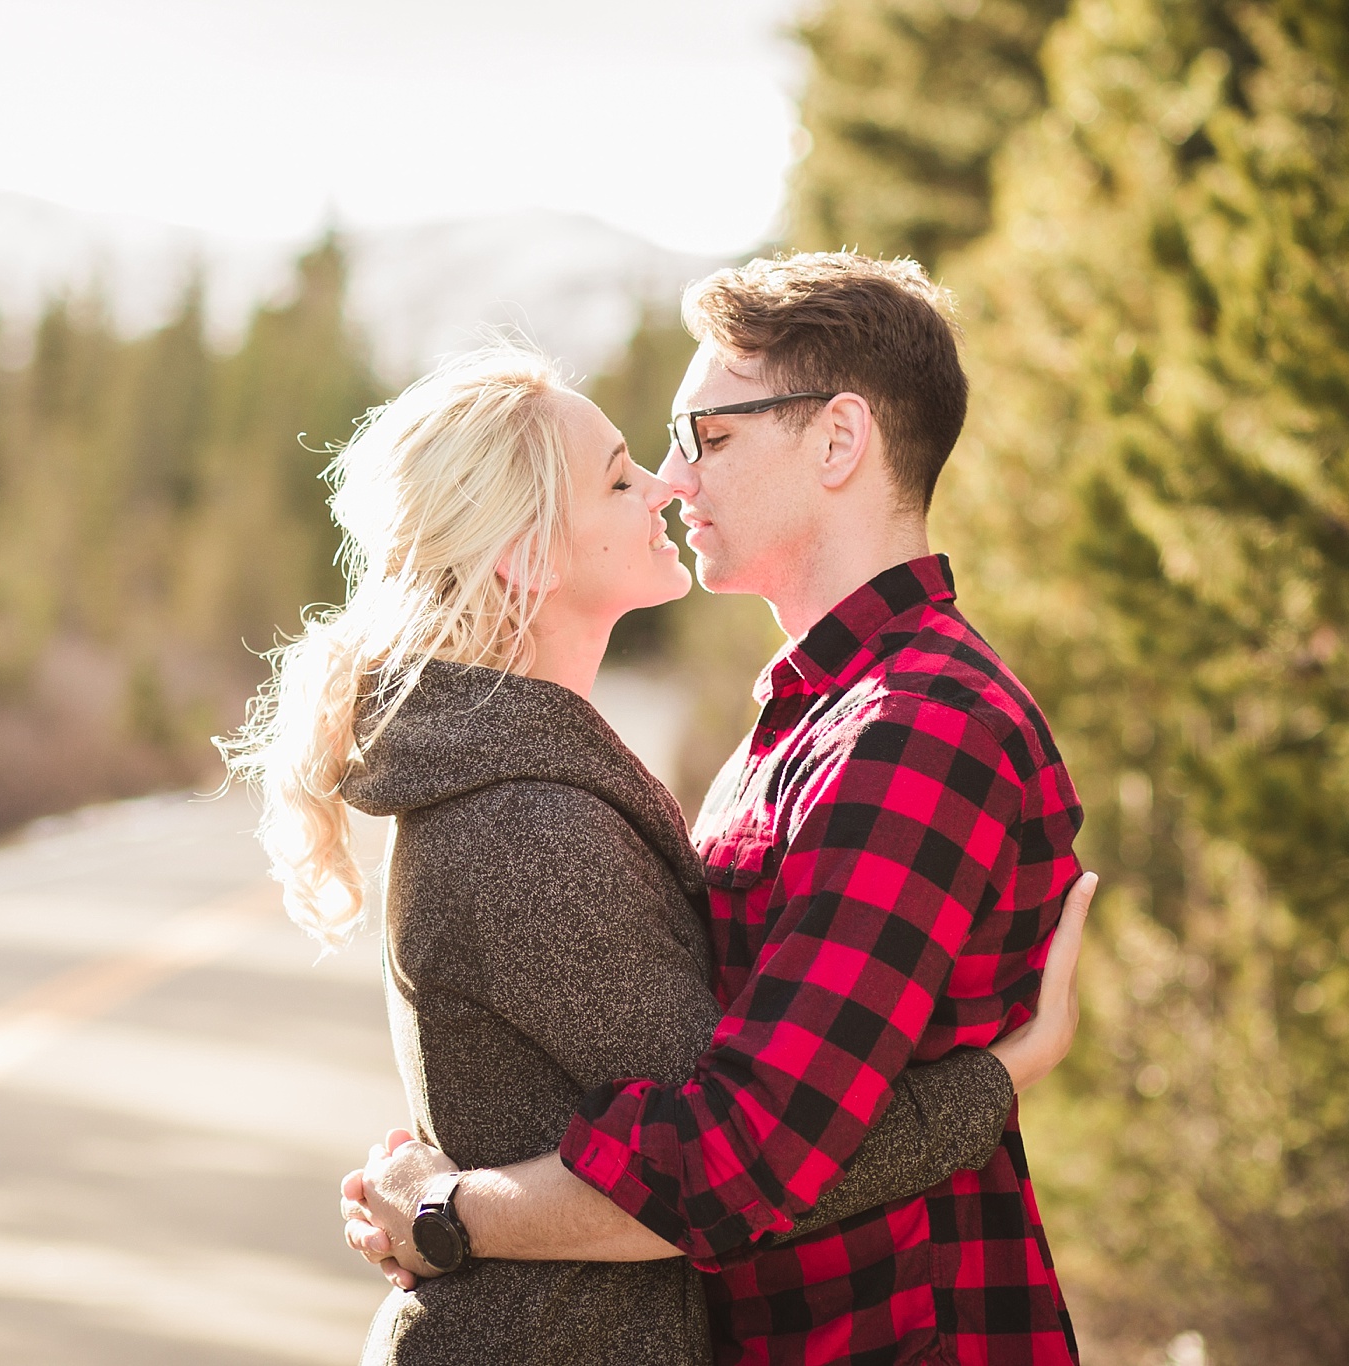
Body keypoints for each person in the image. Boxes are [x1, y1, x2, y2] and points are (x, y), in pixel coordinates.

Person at [220, 342, 1093, 1365]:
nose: (665, 485)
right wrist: (995, 1073)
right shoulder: (527, 828)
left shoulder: (542, 785)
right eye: (622, 474)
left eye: (700, 443)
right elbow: (737, 1166)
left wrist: (449, 1200)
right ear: (528, 552)